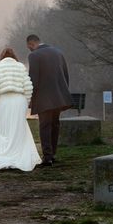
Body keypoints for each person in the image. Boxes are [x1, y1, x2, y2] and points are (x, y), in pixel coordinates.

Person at [0, 47, 41, 173]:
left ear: (1, 57)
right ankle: (18, 155)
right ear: (14, 56)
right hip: (19, 101)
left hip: (4, 101)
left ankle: (5, 156)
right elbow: (28, 87)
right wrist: (26, 101)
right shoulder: (20, 67)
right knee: (18, 129)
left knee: (4, 129)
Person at [26, 34, 72, 167]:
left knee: (45, 125)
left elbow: (33, 78)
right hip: (59, 96)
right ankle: (53, 154)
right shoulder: (58, 52)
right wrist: (63, 92)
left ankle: (47, 157)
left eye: (29, 47)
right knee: (55, 124)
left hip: (44, 97)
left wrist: (30, 97)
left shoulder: (34, 56)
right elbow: (65, 74)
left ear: (30, 44)